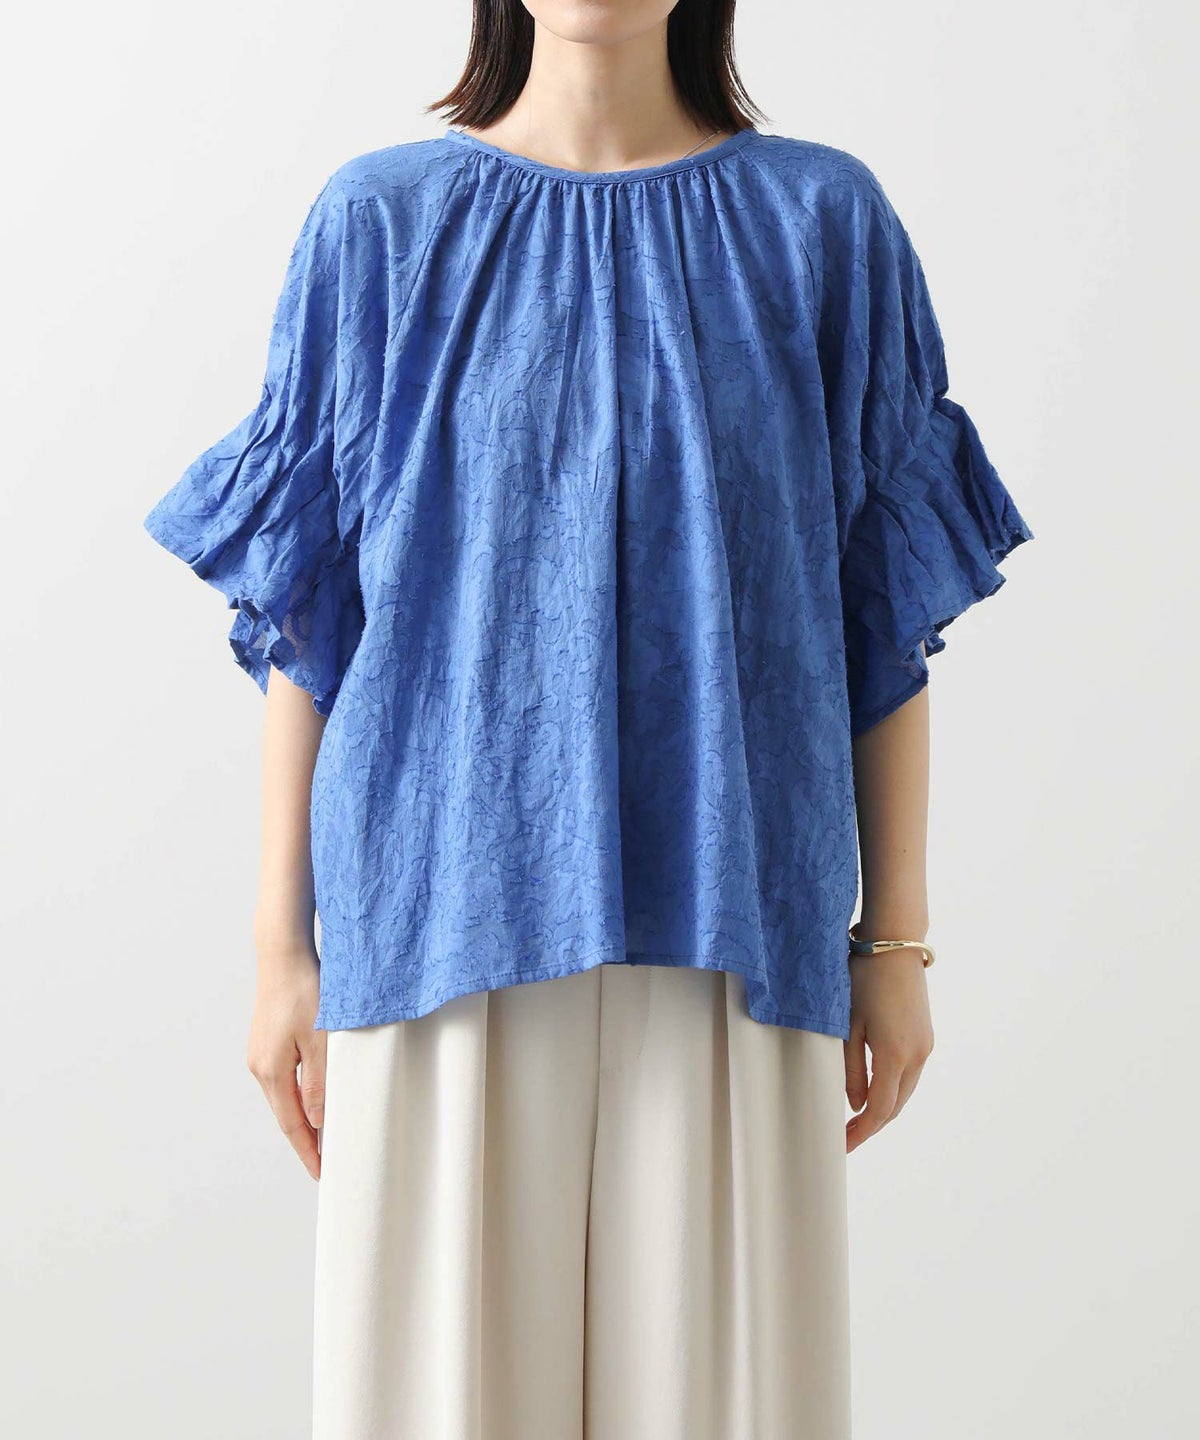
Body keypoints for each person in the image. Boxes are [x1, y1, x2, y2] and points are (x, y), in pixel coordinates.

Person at [142, 2, 1034, 1435]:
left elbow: (881, 622)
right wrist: (278, 954)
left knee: (732, 1403)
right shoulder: (380, 226)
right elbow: (311, 620)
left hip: (741, 923)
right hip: (434, 929)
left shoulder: (822, 225)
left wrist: (898, 945)